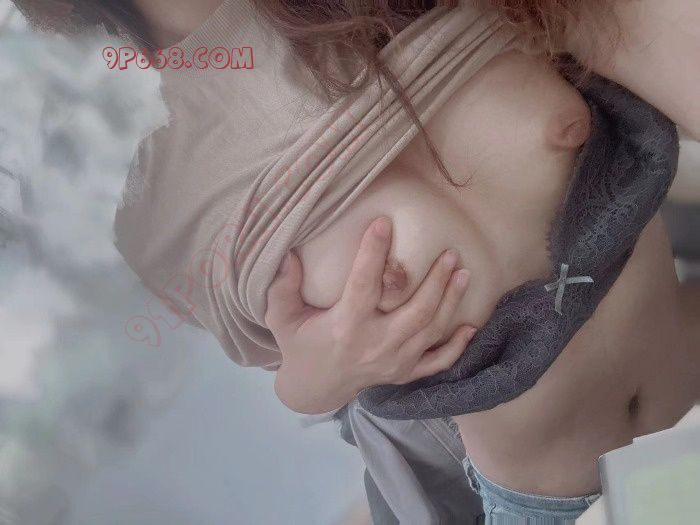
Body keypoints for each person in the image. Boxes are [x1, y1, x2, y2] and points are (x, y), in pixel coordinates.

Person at [14, 0, 700, 522]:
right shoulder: (143, 176)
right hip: (567, 502)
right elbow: (294, 369)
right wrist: (315, 379)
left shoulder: (396, 11)